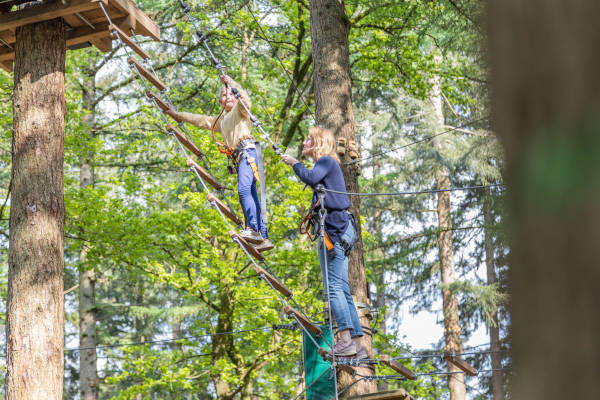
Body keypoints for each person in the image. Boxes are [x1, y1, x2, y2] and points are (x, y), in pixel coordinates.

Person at [282, 127, 366, 358]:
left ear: (319, 143)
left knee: (334, 288)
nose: (305, 142)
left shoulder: (326, 161)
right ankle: (357, 343)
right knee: (343, 288)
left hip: (334, 232)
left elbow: (309, 177)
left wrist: (294, 163)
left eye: (309, 139)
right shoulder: (328, 166)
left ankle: (346, 339)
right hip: (340, 230)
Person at [166, 75, 272, 252]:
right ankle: (262, 235)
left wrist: (230, 82)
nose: (228, 96)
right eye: (224, 95)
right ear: (220, 101)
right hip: (240, 158)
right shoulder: (221, 120)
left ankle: (253, 229)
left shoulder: (240, 110)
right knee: (251, 194)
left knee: (244, 190)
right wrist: (178, 115)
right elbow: (200, 120)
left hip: (248, 153)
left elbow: (245, 100)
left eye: (231, 94)